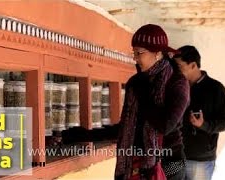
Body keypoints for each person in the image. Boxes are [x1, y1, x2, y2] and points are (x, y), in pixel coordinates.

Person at [63, 24, 190, 180]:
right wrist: (84, 135)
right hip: (134, 164)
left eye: (139, 53)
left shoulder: (176, 82)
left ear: (157, 54)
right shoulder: (135, 83)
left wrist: (144, 91)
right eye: (134, 53)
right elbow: (126, 128)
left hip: (167, 166)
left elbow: (165, 125)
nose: (135, 58)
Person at [173, 45, 225, 180]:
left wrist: (204, 125)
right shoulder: (175, 87)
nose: (175, 69)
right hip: (174, 157)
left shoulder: (215, 89)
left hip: (200, 161)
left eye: (179, 65)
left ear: (193, 65)